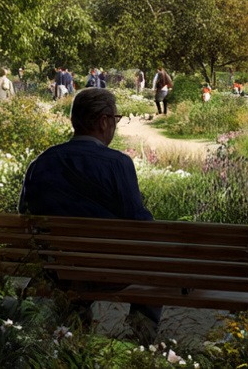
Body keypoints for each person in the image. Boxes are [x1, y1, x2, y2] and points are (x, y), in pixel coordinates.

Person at [17, 87, 161, 341]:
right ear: (103, 121)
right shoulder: (118, 163)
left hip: (57, 270)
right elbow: (139, 226)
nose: (116, 126)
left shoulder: (42, 161)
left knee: (72, 271)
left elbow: (24, 213)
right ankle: (140, 339)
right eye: (116, 119)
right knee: (154, 272)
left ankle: (76, 332)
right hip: (109, 272)